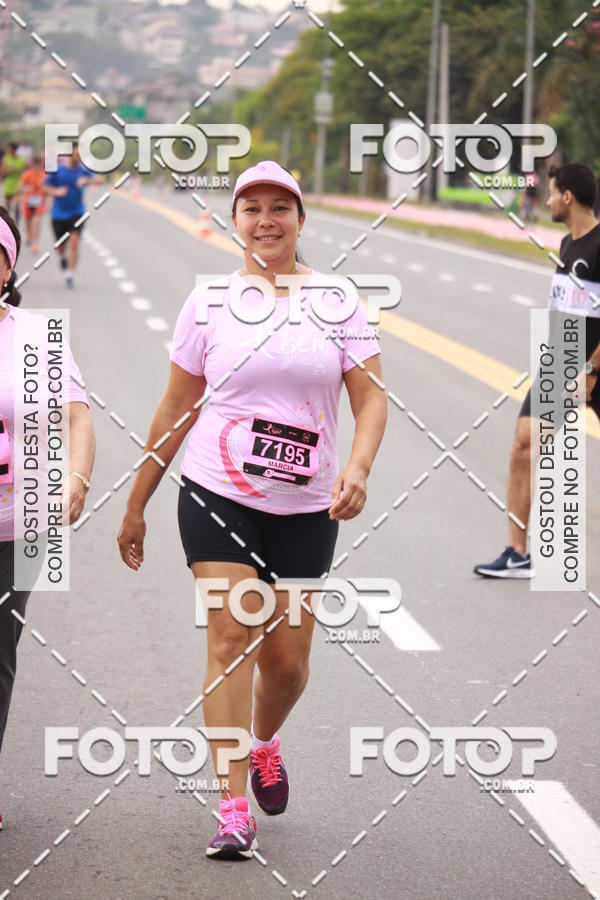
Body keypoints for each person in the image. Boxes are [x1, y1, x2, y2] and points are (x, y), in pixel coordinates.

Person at [117, 161, 387, 858]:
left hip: (305, 505)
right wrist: (138, 501)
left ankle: (265, 742)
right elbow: (178, 407)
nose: (265, 219)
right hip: (217, 492)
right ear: (233, 221)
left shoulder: (337, 300)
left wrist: (356, 467)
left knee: (289, 663)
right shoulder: (208, 304)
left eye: (279, 208)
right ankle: (232, 805)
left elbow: (371, 397)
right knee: (231, 641)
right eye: (251, 208)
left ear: (300, 219)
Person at [0, 206, 95, 830]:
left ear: (8, 263)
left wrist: (77, 478)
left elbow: (77, 417)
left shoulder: (35, 335)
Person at [475, 163, 600, 578]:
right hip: (563, 360)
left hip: (591, 365)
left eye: (550, 193)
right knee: (523, 445)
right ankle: (517, 553)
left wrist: (590, 369)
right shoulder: (567, 244)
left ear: (568, 197)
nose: (545, 200)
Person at [43, 143, 103, 289]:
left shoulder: (82, 172)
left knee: (75, 241)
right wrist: (56, 192)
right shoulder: (58, 171)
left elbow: (99, 180)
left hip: (77, 212)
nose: (78, 157)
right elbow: (44, 186)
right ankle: (63, 256)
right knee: (61, 246)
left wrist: (86, 181)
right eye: (76, 154)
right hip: (58, 213)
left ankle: (69, 274)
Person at [18, 156, 46, 252]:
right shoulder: (27, 174)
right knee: (28, 222)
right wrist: (27, 189)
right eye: (35, 166)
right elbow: (20, 187)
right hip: (28, 201)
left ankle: (35, 243)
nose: (37, 168)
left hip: (39, 201)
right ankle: (29, 235)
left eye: (39, 166)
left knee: (36, 222)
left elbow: (49, 187)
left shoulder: (44, 175)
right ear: (32, 165)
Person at [1, 144, 26, 227]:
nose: (9, 151)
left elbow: (24, 171)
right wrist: (9, 170)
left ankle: (16, 223)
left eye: (10, 149)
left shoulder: (21, 160)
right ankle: (7, 223)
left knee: (17, 206)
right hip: (8, 185)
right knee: (7, 207)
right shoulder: (6, 159)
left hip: (19, 186)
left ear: (14, 150)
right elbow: (3, 172)